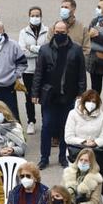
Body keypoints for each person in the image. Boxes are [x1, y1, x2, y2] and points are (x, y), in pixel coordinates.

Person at [30, 20, 85, 168]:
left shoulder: (76, 50)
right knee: (47, 126)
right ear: (53, 31)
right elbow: (38, 73)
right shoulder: (45, 49)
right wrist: (35, 93)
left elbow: (81, 74)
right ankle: (44, 158)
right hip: (49, 96)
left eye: (62, 32)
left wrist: (81, 93)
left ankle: (63, 156)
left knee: (65, 128)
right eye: (57, 32)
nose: (59, 34)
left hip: (68, 95)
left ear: (67, 32)